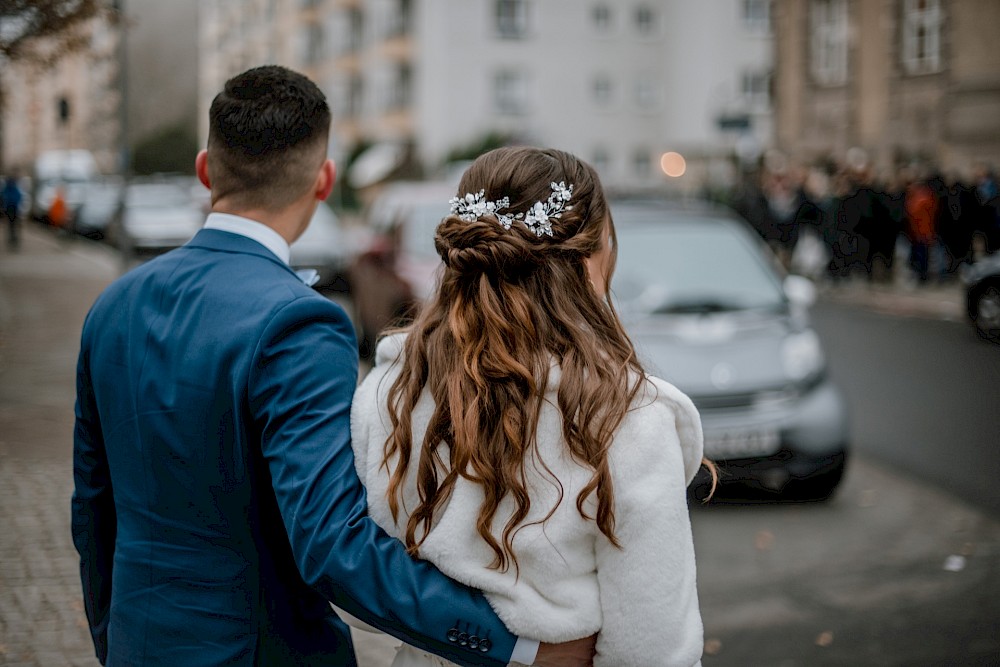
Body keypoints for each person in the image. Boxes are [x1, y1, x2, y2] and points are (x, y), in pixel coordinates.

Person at [71, 66, 593, 667]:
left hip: (136, 645)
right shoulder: (298, 322)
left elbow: (93, 510)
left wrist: (114, 639)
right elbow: (329, 541)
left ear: (204, 170)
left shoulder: (113, 305)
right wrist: (516, 646)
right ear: (324, 180)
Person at [351, 146, 708, 667]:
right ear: (592, 257)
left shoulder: (388, 393)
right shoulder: (625, 418)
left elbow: (366, 597)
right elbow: (654, 649)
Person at [1, 171, 23, 250]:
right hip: (14, 209)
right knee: (13, 226)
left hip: (10, 209)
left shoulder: (7, 188)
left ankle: (12, 239)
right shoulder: (13, 188)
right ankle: (13, 239)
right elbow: (19, 197)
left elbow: (4, 197)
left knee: (11, 226)